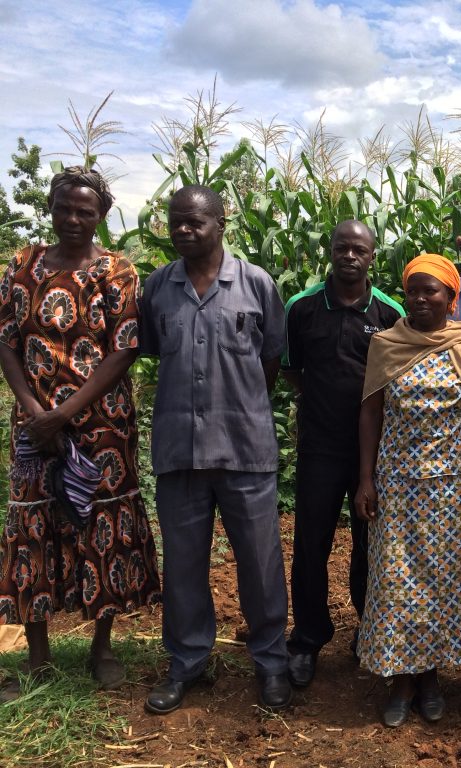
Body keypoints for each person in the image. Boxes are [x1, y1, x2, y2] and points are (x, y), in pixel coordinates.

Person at [0, 167, 160, 700]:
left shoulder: (116, 271)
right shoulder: (21, 265)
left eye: (85, 211)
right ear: (51, 208)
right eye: (65, 208)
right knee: (33, 527)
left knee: (103, 526)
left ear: (101, 216)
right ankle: (39, 655)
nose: (73, 218)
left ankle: (102, 647)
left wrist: (66, 412)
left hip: (101, 424)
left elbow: (124, 349)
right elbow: (6, 341)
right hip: (34, 424)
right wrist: (34, 411)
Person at [140, 185, 291, 714]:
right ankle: (186, 664)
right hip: (179, 451)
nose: (183, 230)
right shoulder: (157, 287)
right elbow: (157, 352)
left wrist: (238, 404)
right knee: (182, 567)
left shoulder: (256, 284)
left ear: (220, 223)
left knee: (260, 564)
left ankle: (272, 664)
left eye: (194, 222)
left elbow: (270, 360)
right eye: (175, 222)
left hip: (245, 450)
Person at [354, 253, 461, 727]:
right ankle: (400, 679)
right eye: (414, 291)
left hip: (448, 485)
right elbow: (370, 412)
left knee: (441, 581)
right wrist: (366, 478)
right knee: (393, 581)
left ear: (452, 299)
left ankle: (429, 677)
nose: (422, 299)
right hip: (395, 482)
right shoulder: (386, 343)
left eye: (433, 291)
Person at [281, 220, 404, 688]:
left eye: (360, 249)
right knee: (312, 544)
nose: (350, 256)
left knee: (369, 545)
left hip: (375, 450)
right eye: (342, 248)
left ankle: (366, 632)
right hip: (321, 447)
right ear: (329, 251)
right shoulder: (302, 307)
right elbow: (292, 371)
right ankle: (308, 639)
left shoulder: (390, 312)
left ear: (373, 256)